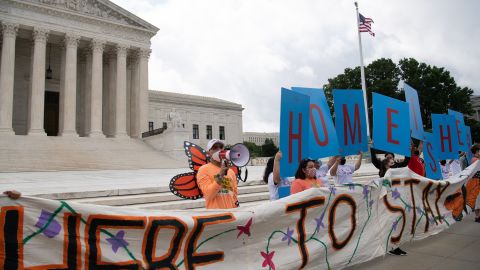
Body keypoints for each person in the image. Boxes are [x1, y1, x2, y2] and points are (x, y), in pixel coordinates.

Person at [197, 139, 238, 209]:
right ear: (208, 153)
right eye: (215, 148)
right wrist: (221, 174)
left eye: (221, 147)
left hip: (231, 214)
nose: (219, 150)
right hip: (215, 215)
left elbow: (234, 195)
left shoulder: (231, 171)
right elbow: (209, 195)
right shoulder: (203, 170)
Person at [471, 144, 480, 222]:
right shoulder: (474, 159)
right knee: (477, 198)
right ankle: (477, 216)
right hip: (476, 182)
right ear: (476, 151)